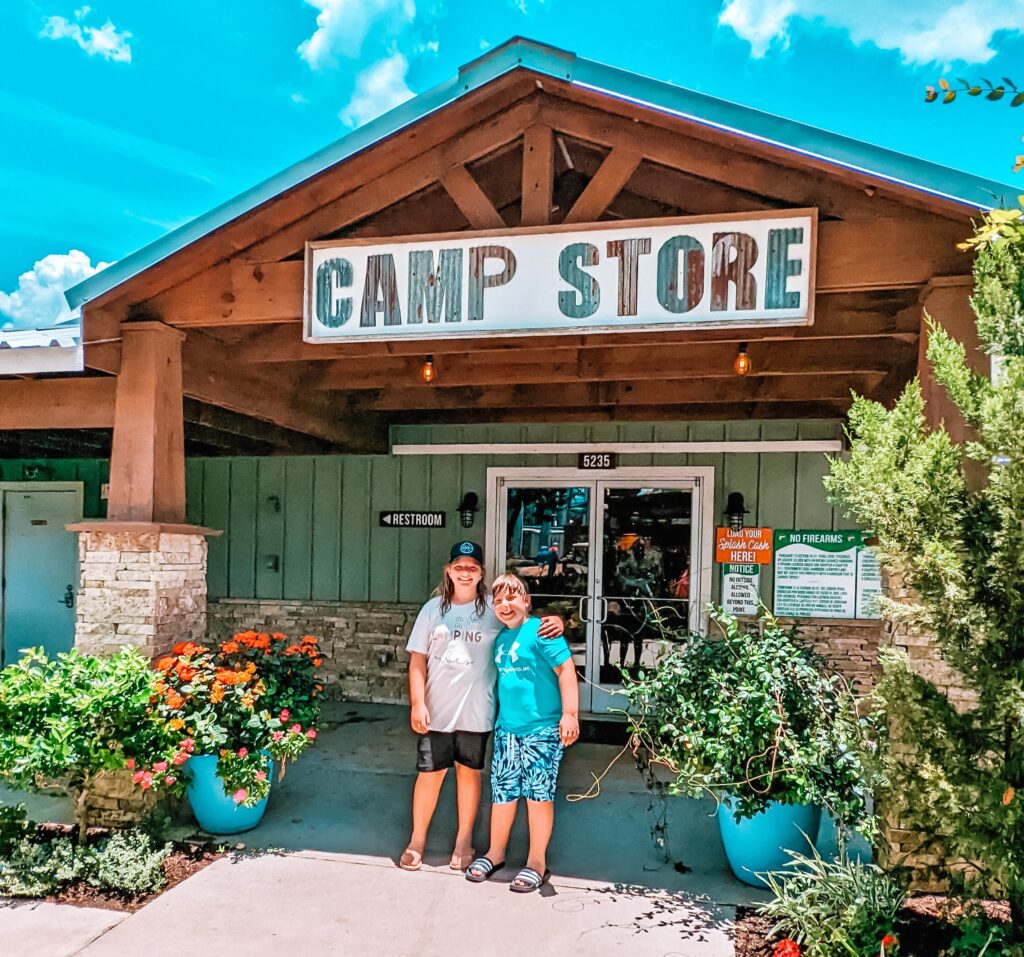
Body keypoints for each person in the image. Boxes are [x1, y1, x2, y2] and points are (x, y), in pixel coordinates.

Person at [399, 541, 563, 872]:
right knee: (429, 776)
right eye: (458, 567)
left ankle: (463, 841)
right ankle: (417, 840)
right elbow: (417, 661)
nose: (465, 573)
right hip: (437, 712)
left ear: (481, 573)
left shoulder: (492, 607)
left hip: (478, 712)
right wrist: (418, 703)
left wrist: (555, 620)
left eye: (472, 568)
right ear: (448, 571)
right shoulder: (433, 610)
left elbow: (522, 617)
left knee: (469, 776)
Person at [465, 573, 579, 893]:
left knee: (537, 796)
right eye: (498, 600)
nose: (505, 604)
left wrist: (570, 714)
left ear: (526, 602)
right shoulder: (500, 639)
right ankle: (495, 853)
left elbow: (566, 671)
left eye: (512, 597)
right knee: (503, 794)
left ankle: (536, 862)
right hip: (507, 731)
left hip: (542, 731)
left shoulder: (542, 632)